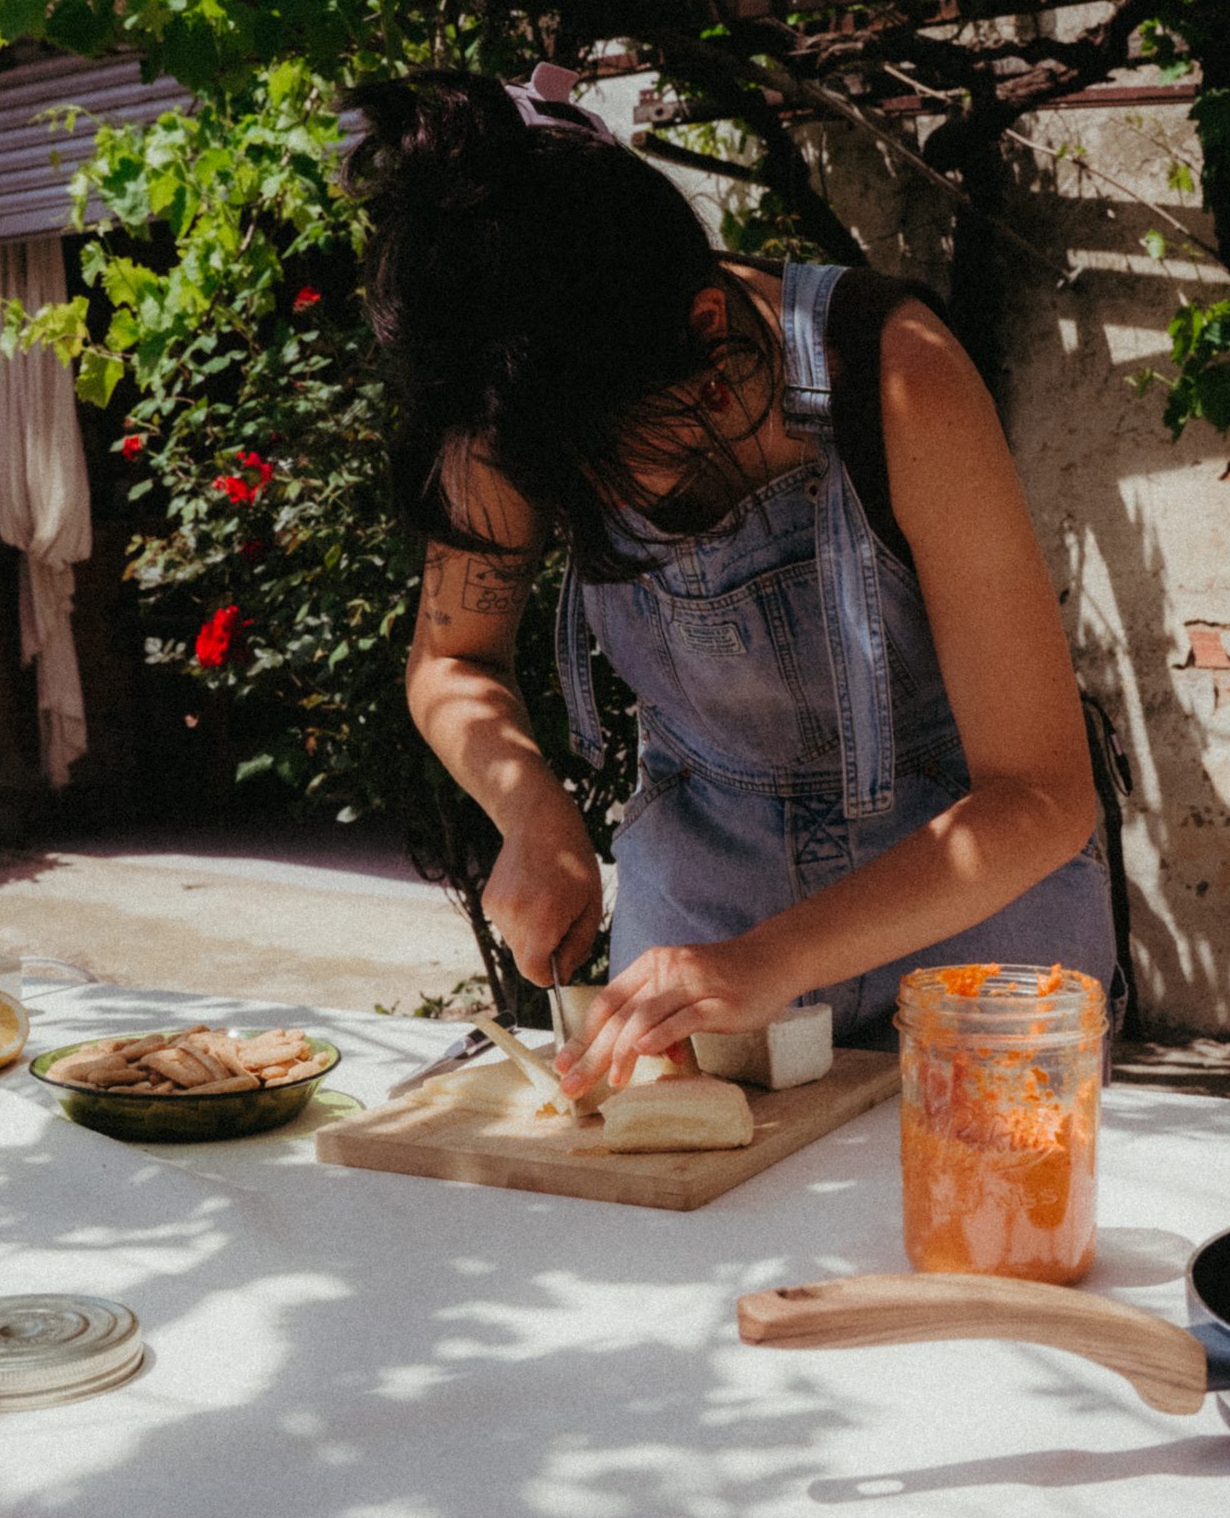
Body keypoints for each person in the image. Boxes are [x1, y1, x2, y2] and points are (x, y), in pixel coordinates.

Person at [342, 66, 1121, 1099]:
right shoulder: (519, 397)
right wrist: (530, 811)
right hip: (701, 898)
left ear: (709, 333)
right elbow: (452, 657)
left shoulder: (895, 377)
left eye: (603, 467)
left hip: (978, 911)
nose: (569, 500)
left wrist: (770, 962)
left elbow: (1038, 794)